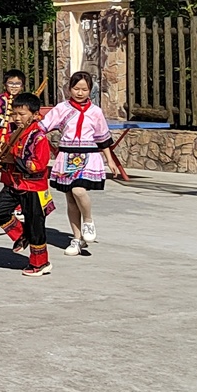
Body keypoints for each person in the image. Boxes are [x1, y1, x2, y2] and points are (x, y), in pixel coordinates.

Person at [41, 71, 114, 257]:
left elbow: (102, 138)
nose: (80, 93)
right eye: (76, 88)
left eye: (84, 89)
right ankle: (77, 238)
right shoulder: (61, 108)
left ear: (90, 90)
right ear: (69, 89)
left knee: (78, 190)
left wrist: (110, 159)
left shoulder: (95, 112)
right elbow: (43, 126)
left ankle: (88, 221)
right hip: (66, 156)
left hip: (88, 156)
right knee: (71, 200)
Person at [0, 91, 55, 277]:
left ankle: (40, 263)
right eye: (14, 114)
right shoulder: (12, 131)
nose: (17, 118)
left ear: (35, 115)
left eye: (22, 114)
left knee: (35, 225)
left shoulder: (39, 137)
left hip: (33, 187)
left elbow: (38, 165)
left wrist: (14, 159)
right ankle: (21, 234)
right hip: (13, 183)